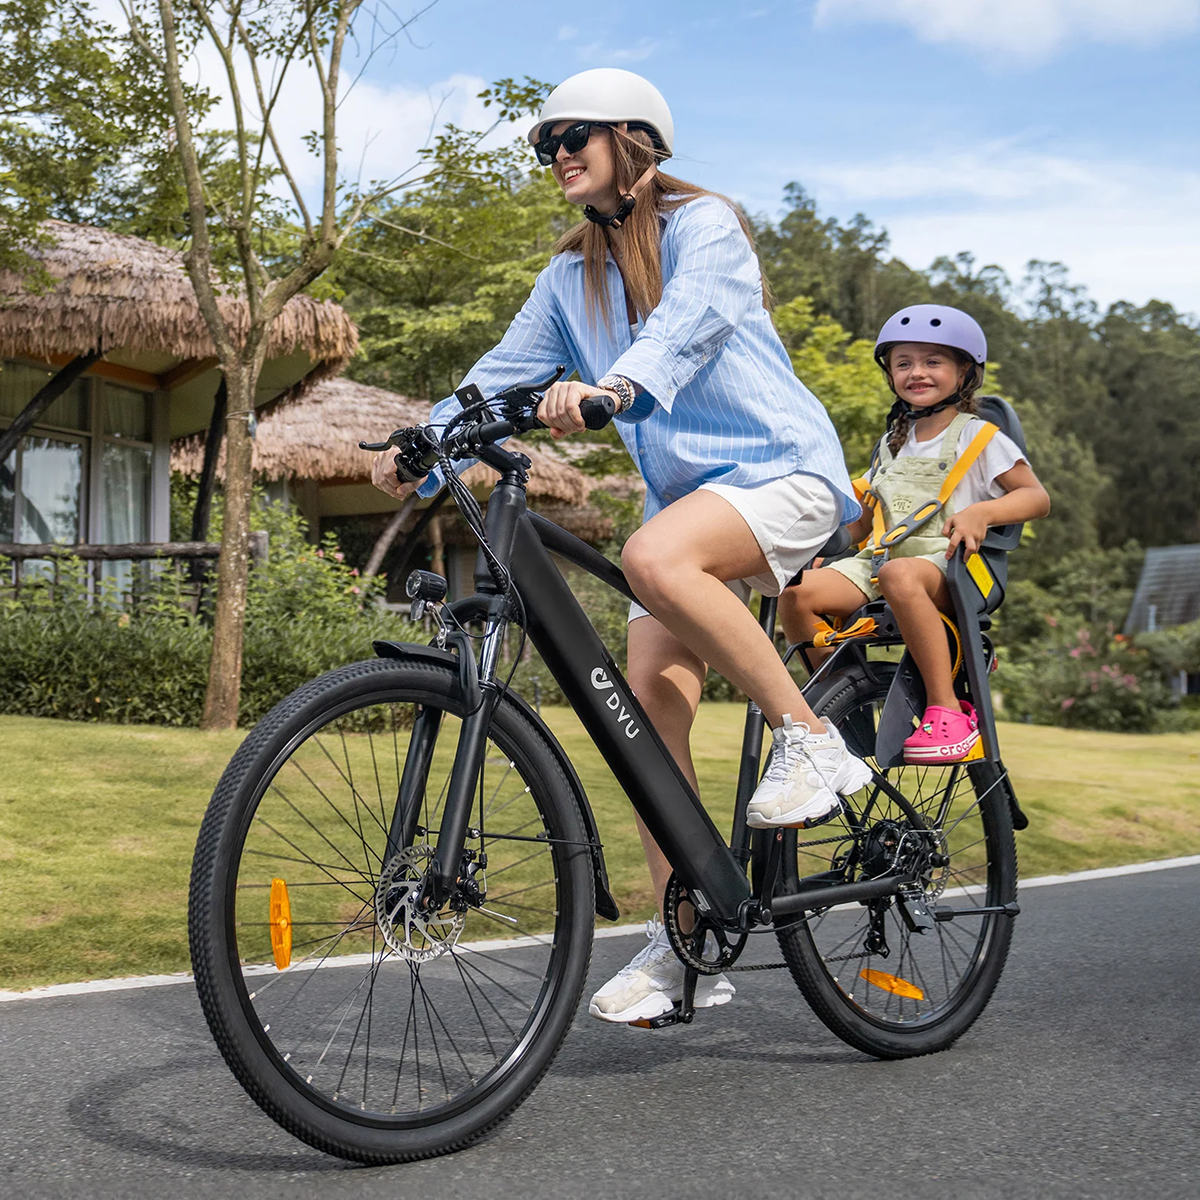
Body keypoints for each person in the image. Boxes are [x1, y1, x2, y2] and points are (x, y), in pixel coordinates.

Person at [371, 67, 871, 1024]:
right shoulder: (570, 276)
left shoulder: (705, 229)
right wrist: (426, 446)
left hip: (786, 475)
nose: (556, 154)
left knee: (650, 558)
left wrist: (614, 388)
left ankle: (814, 745)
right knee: (645, 719)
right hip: (689, 506)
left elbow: (684, 330)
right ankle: (685, 940)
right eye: (545, 143)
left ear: (633, 139)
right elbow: (500, 374)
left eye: (574, 136)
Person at [779, 304, 1051, 763]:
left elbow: (1035, 498)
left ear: (964, 371)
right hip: (883, 563)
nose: (916, 373)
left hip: (956, 568)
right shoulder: (892, 443)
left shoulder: (980, 437)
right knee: (796, 590)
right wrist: (826, 547)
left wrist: (982, 512)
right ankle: (842, 703)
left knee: (901, 575)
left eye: (933, 362)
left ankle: (947, 710)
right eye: (903, 363)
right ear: (890, 373)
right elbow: (867, 520)